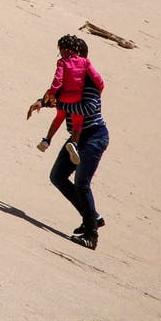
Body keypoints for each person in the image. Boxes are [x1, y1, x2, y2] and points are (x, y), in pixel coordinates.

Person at [27, 37, 110, 250]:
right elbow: (56, 95)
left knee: (82, 183)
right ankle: (92, 216)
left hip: (94, 135)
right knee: (57, 176)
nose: (63, 57)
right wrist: (41, 102)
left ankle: (91, 235)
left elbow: (87, 109)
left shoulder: (89, 83)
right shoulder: (72, 81)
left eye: (66, 54)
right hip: (77, 137)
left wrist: (61, 103)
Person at [38, 33, 105, 163]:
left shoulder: (62, 62)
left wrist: (52, 94)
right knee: (77, 123)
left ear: (64, 49)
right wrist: (100, 89)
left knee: (58, 118)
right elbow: (98, 79)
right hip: (76, 98)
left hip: (62, 97)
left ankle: (47, 140)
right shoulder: (84, 62)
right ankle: (74, 143)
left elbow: (58, 80)